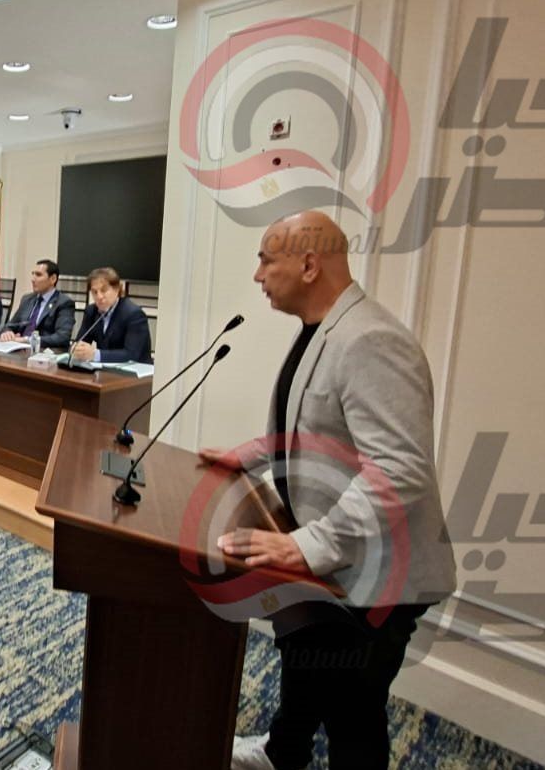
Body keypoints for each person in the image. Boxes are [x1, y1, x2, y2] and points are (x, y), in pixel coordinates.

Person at [199, 211, 457, 770]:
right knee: (306, 658)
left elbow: (400, 469)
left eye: (266, 260)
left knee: (353, 712)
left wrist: (308, 544)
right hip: (337, 562)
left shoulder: (370, 340)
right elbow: (314, 431)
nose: (258, 275)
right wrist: (248, 455)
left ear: (310, 265)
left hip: (381, 574)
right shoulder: (323, 330)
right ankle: (283, 751)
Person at [69, 267, 151, 364]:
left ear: (117, 289)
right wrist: (77, 349)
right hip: (105, 368)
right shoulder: (91, 311)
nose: (99, 296)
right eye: (95, 292)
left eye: (104, 290)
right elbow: (81, 342)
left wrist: (95, 354)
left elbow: (132, 354)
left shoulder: (134, 314)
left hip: (135, 370)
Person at [1, 259, 76, 348]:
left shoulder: (64, 303)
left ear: (53, 279)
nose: (33, 279)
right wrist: (7, 333)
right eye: (33, 274)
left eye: (38, 275)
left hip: (44, 352)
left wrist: (27, 340)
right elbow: (10, 325)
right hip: (18, 349)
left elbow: (62, 337)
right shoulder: (27, 299)